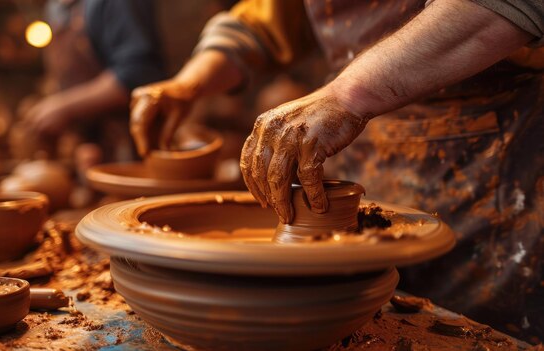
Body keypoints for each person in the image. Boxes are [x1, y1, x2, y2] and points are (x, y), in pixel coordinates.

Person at [130, 0, 544, 342]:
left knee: (474, 333)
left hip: (494, 165)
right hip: (358, 151)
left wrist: (350, 93)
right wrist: (190, 82)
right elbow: (268, 20)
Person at [21, 0, 165, 165]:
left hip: (127, 152)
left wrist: (64, 106)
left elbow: (138, 74)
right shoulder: (55, 8)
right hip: (83, 150)